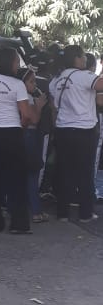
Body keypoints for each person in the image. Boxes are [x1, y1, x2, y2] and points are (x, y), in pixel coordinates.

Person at [0, 47, 45, 234]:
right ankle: (18, 224)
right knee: (16, 179)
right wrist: (20, 127)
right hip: (12, 133)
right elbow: (26, 115)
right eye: (16, 61)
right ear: (11, 63)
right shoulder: (17, 85)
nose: (17, 65)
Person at [49, 44, 103, 223]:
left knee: (65, 171)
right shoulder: (84, 76)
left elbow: (54, 105)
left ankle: (62, 213)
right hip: (84, 131)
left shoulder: (57, 79)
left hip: (63, 129)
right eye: (83, 56)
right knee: (85, 172)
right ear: (77, 58)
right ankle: (85, 213)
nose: (86, 59)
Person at [19, 68, 48, 223]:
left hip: (16, 135)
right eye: (32, 81)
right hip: (29, 135)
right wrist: (39, 106)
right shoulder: (28, 98)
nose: (35, 84)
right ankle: (36, 211)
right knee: (32, 173)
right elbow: (34, 119)